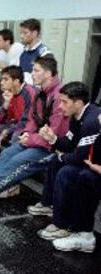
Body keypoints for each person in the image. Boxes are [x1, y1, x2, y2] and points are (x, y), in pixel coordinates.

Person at [0, 57, 69, 205]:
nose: (32, 74)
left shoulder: (58, 95)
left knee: (17, 160)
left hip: (52, 148)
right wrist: (27, 133)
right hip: (36, 139)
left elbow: (55, 132)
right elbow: (31, 119)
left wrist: (29, 137)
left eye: (36, 70)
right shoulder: (41, 92)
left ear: (48, 73)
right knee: (7, 153)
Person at [26, 82, 101, 252]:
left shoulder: (92, 121)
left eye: (65, 102)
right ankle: (49, 204)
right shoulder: (76, 116)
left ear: (79, 103)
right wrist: (53, 139)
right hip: (90, 163)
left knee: (67, 172)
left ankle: (62, 224)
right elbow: (68, 143)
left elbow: (78, 157)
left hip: (94, 166)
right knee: (56, 161)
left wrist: (61, 155)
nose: (60, 106)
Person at [0, 65, 34, 173]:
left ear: (16, 81)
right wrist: (6, 104)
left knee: (16, 135)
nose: (1, 82)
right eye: (2, 79)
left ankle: (8, 173)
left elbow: (27, 121)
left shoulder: (29, 93)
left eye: (6, 79)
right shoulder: (7, 92)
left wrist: (8, 130)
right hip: (14, 125)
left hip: (29, 128)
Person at [19, 19, 53, 84]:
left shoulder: (44, 53)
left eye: (25, 33)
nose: (22, 36)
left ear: (35, 33)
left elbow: (48, 78)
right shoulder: (24, 52)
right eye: (21, 33)